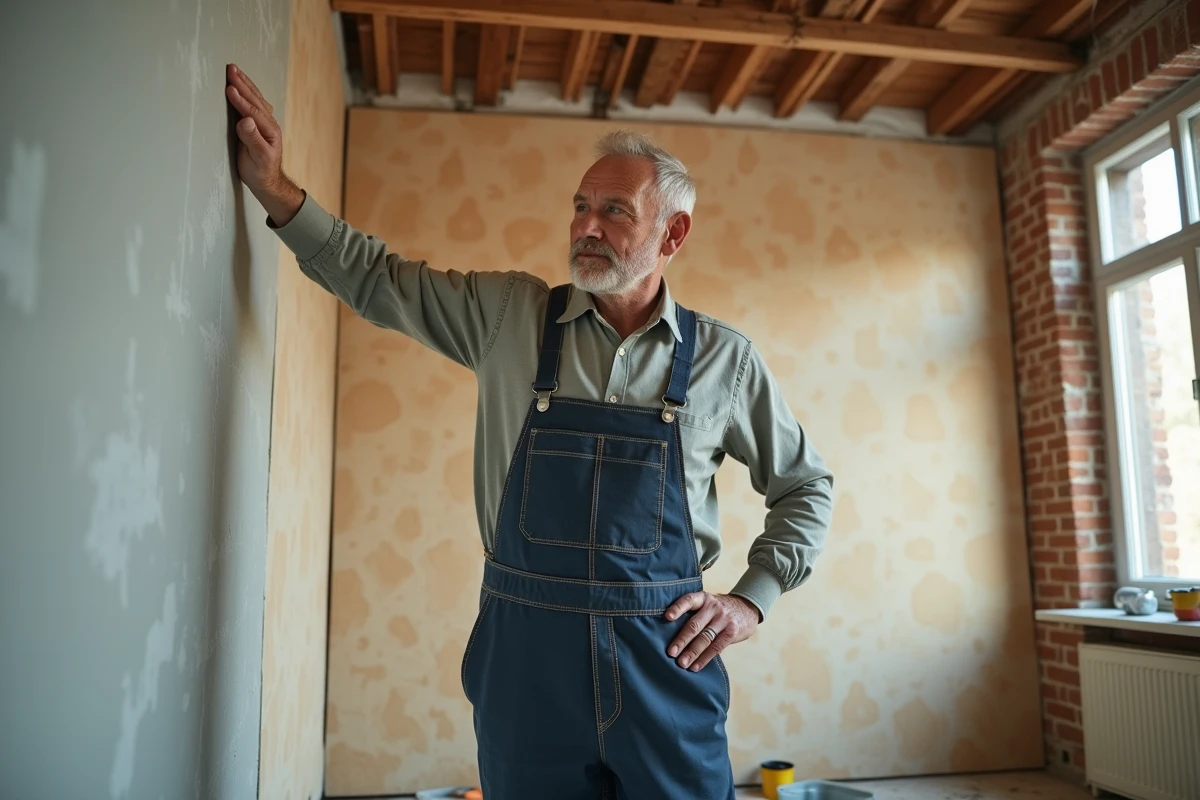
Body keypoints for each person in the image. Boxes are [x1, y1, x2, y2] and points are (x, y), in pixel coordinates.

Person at [226, 63, 834, 798]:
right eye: (580, 206)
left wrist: (751, 598)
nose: (585, 225)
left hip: (663, 664)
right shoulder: (509, 317)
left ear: (673, 233)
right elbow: (378, 278)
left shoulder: (724, 362)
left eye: (615, 210)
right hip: (525, 662)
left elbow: (806, 487)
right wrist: (275, 190)